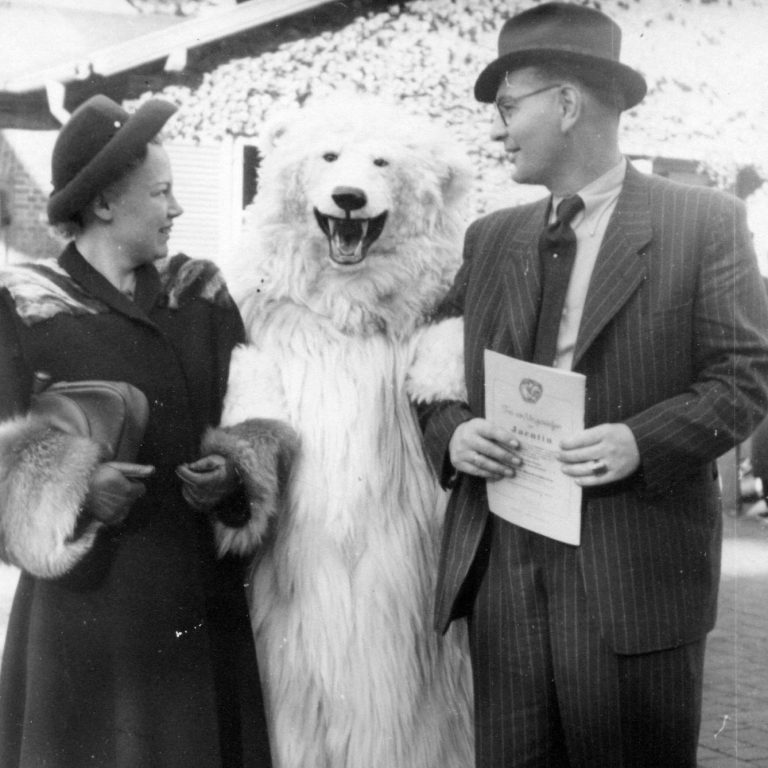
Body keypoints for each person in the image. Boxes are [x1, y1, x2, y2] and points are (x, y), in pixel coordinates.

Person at [419, 4, 768, 767]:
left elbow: (747, 376)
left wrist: (641, 441)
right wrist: (454, 432)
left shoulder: (703, 222)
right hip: (504, 577)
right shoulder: (491, 237)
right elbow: (432, 371)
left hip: (628, 578)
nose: (497, 129)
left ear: (568, 104)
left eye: (509, 107)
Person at [0, 95, 271, 768]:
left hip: (197, 611)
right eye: (162, 192)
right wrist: (77, 491)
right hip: (82, 626)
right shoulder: (26, 309)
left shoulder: (202, 296)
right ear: (102, 206)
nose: (178, 209)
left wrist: (235, 471)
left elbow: (257, 414)